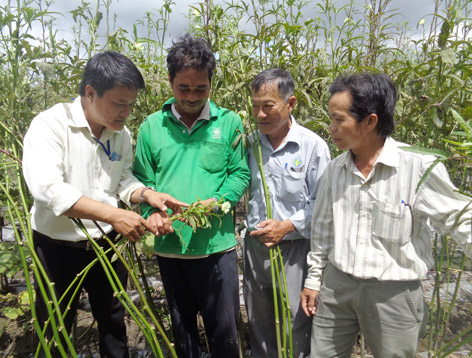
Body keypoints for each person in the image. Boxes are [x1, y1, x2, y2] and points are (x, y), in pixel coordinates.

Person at [22, 51, 186, 358]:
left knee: (113, 323)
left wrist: (148, 194)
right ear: (90, 93)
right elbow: (47, 189)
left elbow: (122, 179)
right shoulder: (50, 126)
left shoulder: (119, 134)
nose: (126, 113)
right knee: (54, 329)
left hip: (107, 245)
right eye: (118, 103)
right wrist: (114, 214)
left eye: (130, 105)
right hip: (58, 246)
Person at [300, 73, 472, 358]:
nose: (331, 128)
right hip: (337, 288)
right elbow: (322, 232)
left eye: (339, 119)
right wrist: (314, 279)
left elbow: (459, 217)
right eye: (330, 118)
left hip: (393, 294)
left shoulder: (418, 166)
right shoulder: (334, 171)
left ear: (370, 121)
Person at [133, 34, 250, 358]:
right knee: (183, 337)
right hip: (171, 252)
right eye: (183, 88)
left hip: (217, 250)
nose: (192, 96)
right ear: (170, 81)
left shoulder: (229, 123)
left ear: (211, 83)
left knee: (225, 336)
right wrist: (150, 214)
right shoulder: (151, 127)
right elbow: (142, 181)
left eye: (201, 88)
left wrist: (219, 201)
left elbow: (239, 173)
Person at [244, 69, 330, 358]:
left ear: (290, 103)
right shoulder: (249, 144)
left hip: (295, 249)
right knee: (259, 320)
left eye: (268, 106)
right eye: (255, 106)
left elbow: (322, 203)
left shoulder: (313, 147)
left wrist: (288, 225)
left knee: (295, 321)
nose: (260, 114)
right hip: (256, 247)